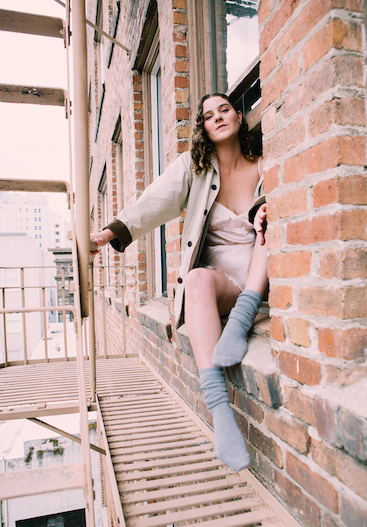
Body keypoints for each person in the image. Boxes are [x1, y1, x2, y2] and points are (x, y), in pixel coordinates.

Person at [91, 93, 268, 471]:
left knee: (274, 223)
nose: (218, 118)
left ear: (238, 116)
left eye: (224, 110)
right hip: (225, 283)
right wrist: (110, 233)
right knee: (198, 279)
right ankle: (220, 411)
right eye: (208, 115)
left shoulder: (265, 164)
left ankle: (240, 321)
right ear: (203, 127)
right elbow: (155, 200)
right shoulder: (195, 167)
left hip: (262, 272)